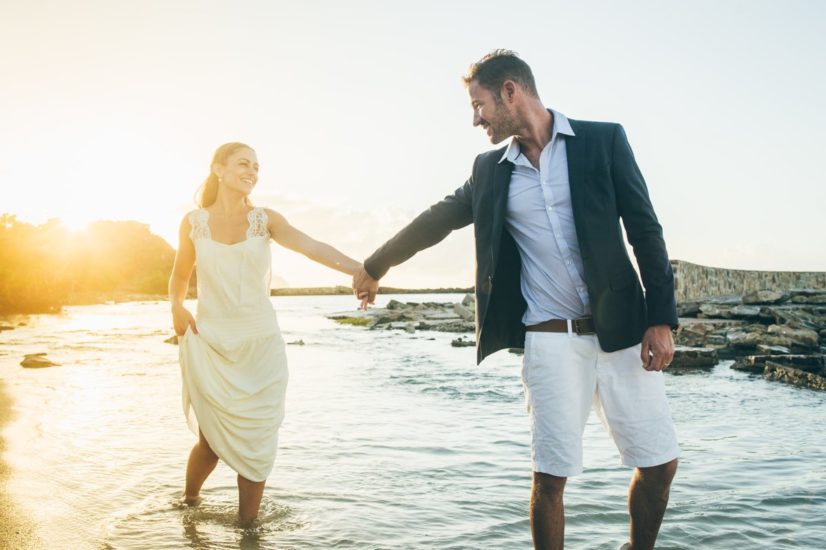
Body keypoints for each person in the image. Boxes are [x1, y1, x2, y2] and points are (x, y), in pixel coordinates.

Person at [352, 50, 680, 550]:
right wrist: (374, 267)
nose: (475, 119)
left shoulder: (602, 141)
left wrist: (661, 318)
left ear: (510, 91)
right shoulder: (490, 171)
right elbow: (435, 220)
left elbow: (645, 230)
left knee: (659, 465)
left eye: (479, 105)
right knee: (550, 479)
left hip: (624, 335)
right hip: (549, 342)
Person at [169, 142, 365, 525]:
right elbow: (180, 273)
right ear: (218, 169)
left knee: (258, 440)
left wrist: (362, 269)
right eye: (244, 163)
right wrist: (176, 305)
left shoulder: (266, 219)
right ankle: (188, 504)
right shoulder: (194, 222)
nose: (253, 171)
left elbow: (312, 247)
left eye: (257, 167)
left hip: (261, 347)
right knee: (210, 441)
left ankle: (248, 529)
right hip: (211, 343)